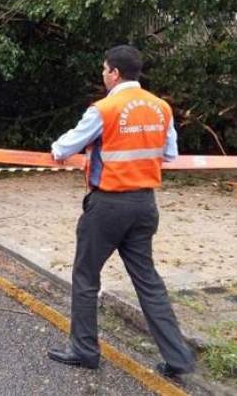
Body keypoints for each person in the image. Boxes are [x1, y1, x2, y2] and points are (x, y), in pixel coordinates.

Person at [46, 45, 195, 379]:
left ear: (114, 73)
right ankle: (178, 358)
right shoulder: (161, 108)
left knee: (85, 276)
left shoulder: (105, 108)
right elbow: (169, 153)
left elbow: (64, 147)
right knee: (148, 282)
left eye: (103, 69)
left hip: (108, 205)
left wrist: (57, 150)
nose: (102, 75)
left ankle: (84, 350)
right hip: (145, 205)